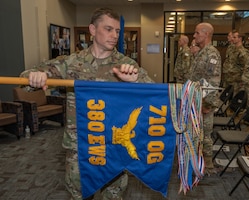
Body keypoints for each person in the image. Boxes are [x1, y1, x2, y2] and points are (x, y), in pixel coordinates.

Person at [20, 7, 154, 200]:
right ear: (92, 30)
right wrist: (35, 77)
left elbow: (152, 92)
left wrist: (135, 82)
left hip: (113, 145)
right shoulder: (71, 62)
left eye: (117, 31)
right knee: (79, 196)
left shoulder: (126, 65)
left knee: (113, 197)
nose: (114, 35)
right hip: (80, 147)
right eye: (108, 29)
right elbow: (25, 80)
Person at [187, 22, 221, 174]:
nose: (194, 36)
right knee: (197, 132)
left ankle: (207, 165)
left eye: (197, 33)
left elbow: (213, 81)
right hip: (196, 99)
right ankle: (197, 160)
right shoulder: (201, 52)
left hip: (204, 102)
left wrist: (206, 104)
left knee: (205, 134)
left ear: (206, 34)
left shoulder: (211, 53)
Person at [226, 31, 249, 95]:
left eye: (234, 37)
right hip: (230, 79)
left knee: (235, 99)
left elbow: (246, 67)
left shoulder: (243, 52)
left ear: (240, 38)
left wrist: (243, 80)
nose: (232, 39)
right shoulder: (232, 50)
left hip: (238, 81)